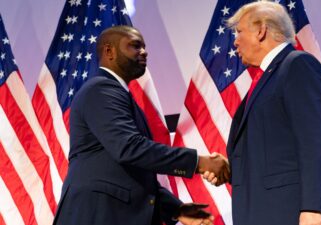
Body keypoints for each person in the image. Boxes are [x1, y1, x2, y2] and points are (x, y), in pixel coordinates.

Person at [53, 25, 229, 225]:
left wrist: (176, 210)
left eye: (144, 47)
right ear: (109, 51)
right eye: (135, 46)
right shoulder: (101, 89)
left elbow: (132, 171)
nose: (144, 52)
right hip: (97, 214)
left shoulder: (119, 95)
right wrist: (198, 162)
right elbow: (129, 148)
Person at [204, 1, 321, 225]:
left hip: (296, 214)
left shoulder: (298, 65)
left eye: (239, 32)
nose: (235, 41)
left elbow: (316, 140)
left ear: (261, 30)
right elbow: (276, 157)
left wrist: (313, 209)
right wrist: (231, 170)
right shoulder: (266, 80)